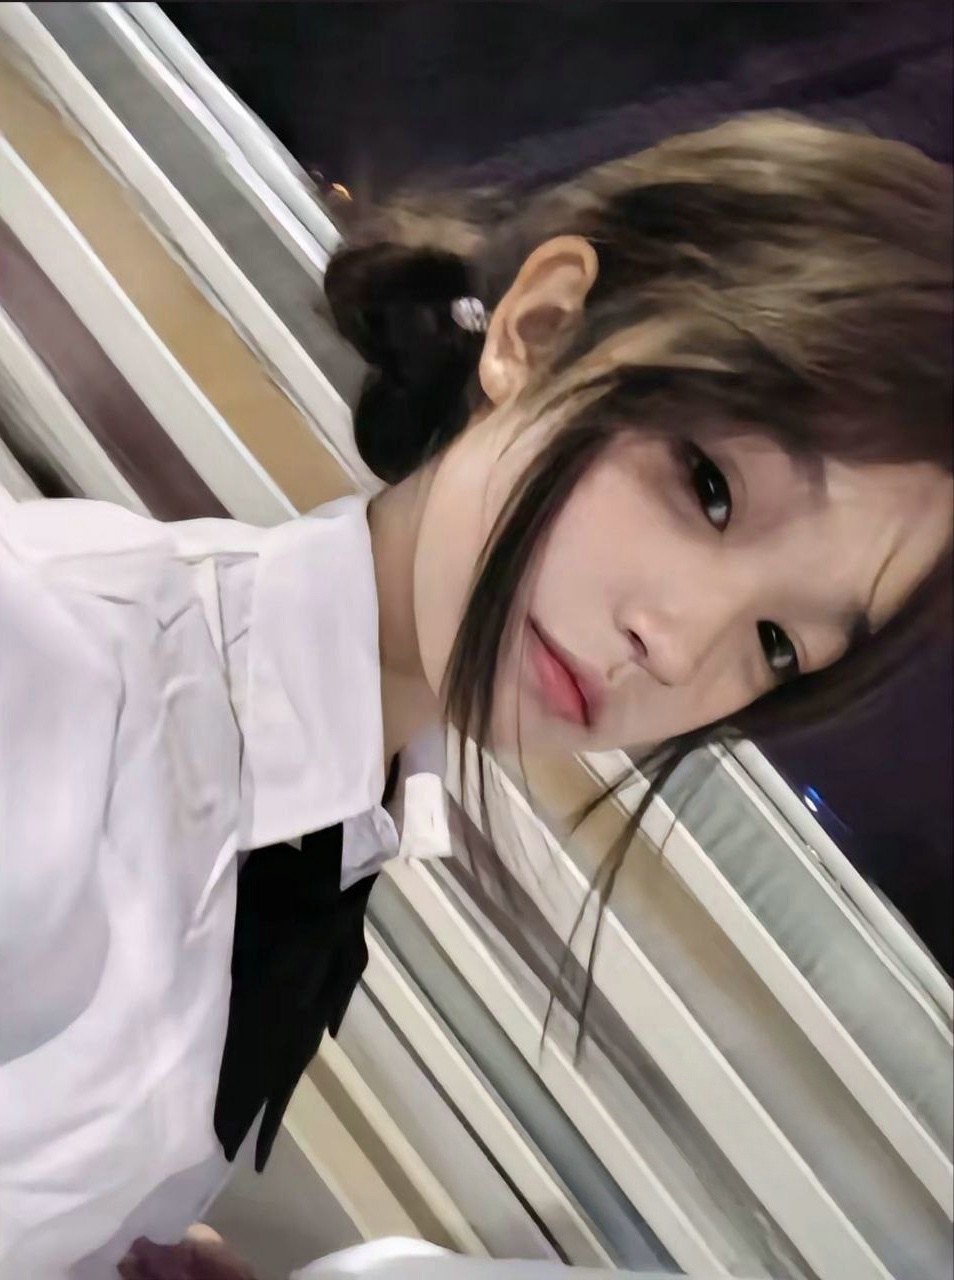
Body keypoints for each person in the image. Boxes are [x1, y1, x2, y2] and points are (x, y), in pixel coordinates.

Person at [0, 114, 950, 1279]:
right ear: (539, 331)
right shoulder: (53, 672)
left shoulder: (345, 800)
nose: (678, 642)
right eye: (707, 487)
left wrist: (94, 1239)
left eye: (776, 642)